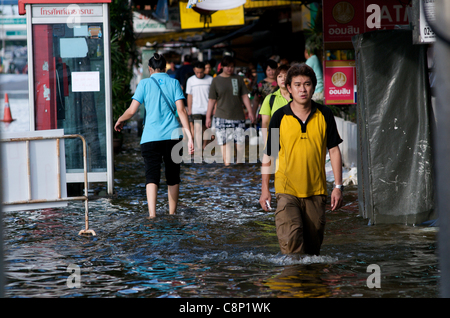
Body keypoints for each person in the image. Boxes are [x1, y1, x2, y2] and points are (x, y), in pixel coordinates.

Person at [259, 63, 343, 256]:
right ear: (289, 88)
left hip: (316, 190)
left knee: (313, 253)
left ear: (314, 87)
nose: (302, 89)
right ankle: (293, 284)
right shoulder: (279, 117)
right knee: (292, 246)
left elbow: (334, 151)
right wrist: (265, 188)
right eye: (297, 84)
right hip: (286, 190)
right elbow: (269, 153)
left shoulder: (325, 114)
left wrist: (338, 187)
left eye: (307, 84)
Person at [114, 53, 194, 218]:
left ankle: (152, 215)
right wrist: (190, 136)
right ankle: (172, 214)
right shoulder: (174, 83)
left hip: (150, 137)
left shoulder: (144, 84)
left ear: (150, 69)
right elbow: (182, 111)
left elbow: (132, 111)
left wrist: (120, 120)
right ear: (165, 68)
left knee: (151, 175)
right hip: (173, 136)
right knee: (173, 175)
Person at [205, 55, 255, 166]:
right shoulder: (216, 80)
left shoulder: (238, 79)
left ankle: (239, 165)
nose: (230, 69)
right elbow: (212, 100)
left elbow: (245, 96)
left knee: (240, 143)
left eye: (232, 66)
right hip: (221, 116)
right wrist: (208, 116)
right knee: (225, 143)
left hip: (238, 115)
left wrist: (250, 111)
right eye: (227, 66)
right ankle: (227, 166)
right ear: (222, 66)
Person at [258, 64, 291, 142]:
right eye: (280, 76)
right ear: (276, 79)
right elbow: (265, 123)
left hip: (294, 138)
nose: (283, 79)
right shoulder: (270, 99)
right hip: (274, 137)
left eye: (286, 76)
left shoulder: (298, 98)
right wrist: (267, 144)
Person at [186, 61, 213, 153]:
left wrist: (214, 108)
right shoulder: (190, 80)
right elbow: (189, 96)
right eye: (197, 72)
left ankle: (204, 146)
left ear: (204, 70)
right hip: (196, 109)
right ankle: (198, 148)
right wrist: (190, 109)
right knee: (197, 129)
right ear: (194, 70)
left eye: (201, 72)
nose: (199, 74)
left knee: (207, 130)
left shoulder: (210, 79)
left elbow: (214, 96)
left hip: (208, 109)